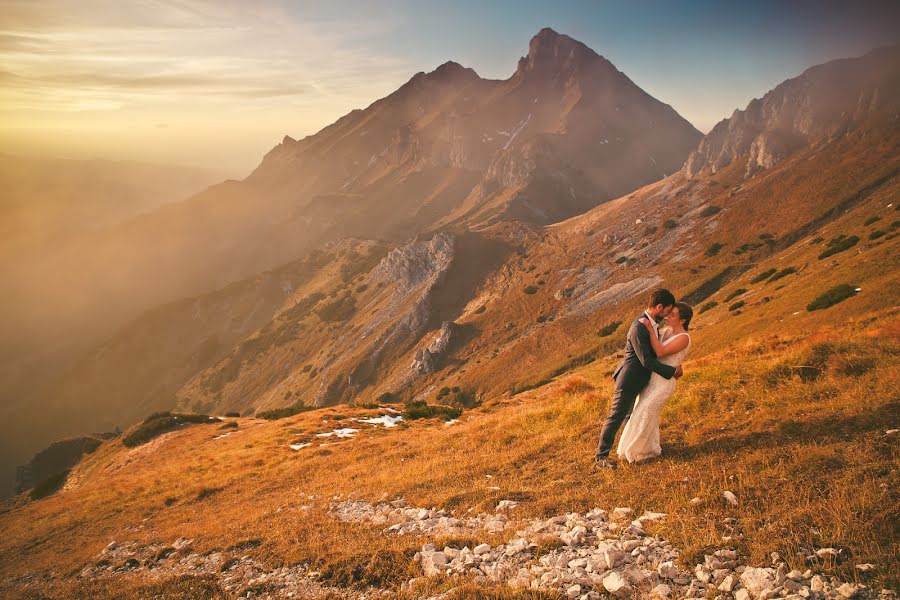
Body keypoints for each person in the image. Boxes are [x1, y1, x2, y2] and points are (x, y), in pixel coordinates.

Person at [594, 289, 683, 470]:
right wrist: (672, 371)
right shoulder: (638, 327)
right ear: (659, 307)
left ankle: (631, 449)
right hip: (629, 380)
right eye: (667, 310)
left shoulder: (649, 325)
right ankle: (600, 457)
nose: (667, 314)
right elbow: (646, 360)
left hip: (640, 379)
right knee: (616, 417)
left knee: (631, 416)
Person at [616, 302, 693, 463]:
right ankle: (645, 448)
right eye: (669, 313)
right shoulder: (664, 332)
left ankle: (636, 450)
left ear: (683, 320)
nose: (667, 317)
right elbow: (650, 354)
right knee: (641, 412)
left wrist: (651, 330)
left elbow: (661, 352)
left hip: (665, 382)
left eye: (673, 315)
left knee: (646, 411)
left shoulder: (684, 338)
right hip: (652, 380)